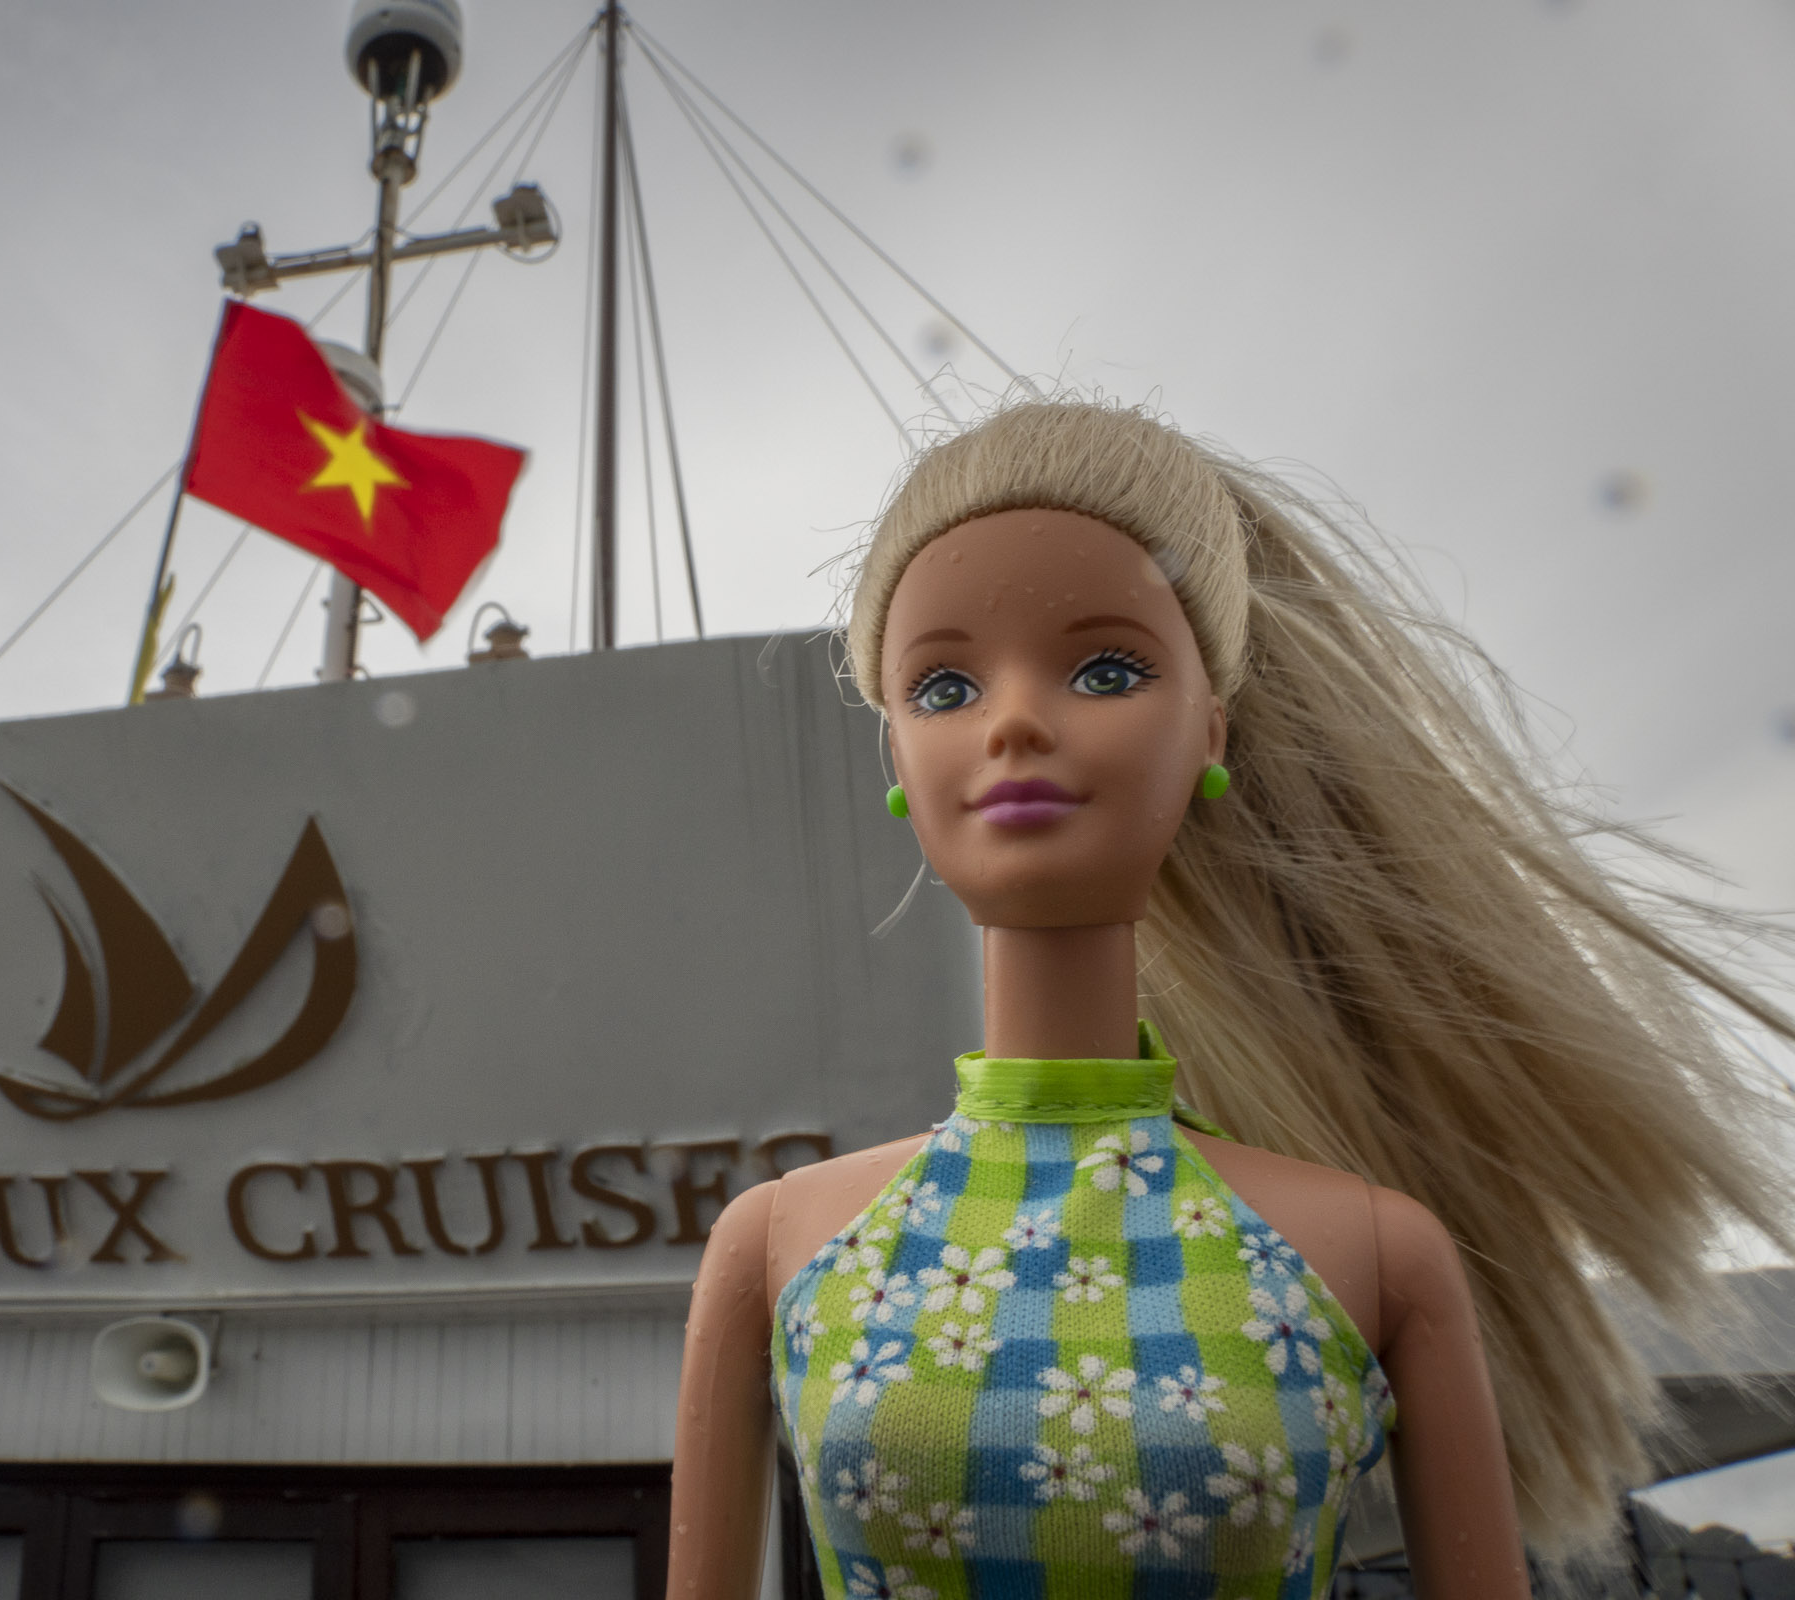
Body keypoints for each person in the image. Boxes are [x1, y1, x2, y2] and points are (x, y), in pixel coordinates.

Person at [668, 399, 1793, 1599]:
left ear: (1209, 731)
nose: (1016, 721)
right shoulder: (781, 1243)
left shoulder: (1372, 1250)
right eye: (944, 686)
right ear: (897, 756)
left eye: (1107, 669)